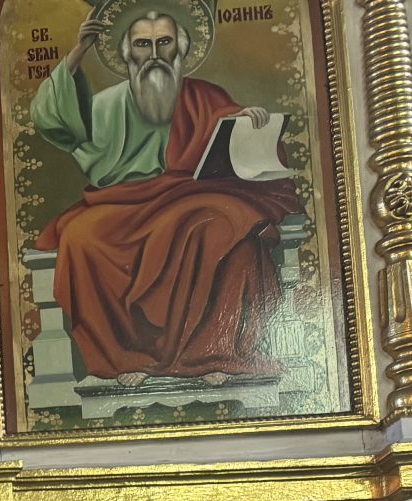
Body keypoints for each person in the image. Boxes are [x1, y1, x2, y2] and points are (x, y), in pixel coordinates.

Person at [29, 8, 298, 385]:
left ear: (181, 50)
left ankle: (212, 352)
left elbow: (232, 135)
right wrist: (78, 53)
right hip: (122, 202)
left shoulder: (204, 96)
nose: (154, 54)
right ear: (127, 54)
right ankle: (130, 357)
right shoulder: (106, 105)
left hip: (193, 195)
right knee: (80, 237)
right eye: (143, 44)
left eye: (164, 42)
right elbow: (51, 120)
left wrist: (248, 119)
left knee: (224, 223)